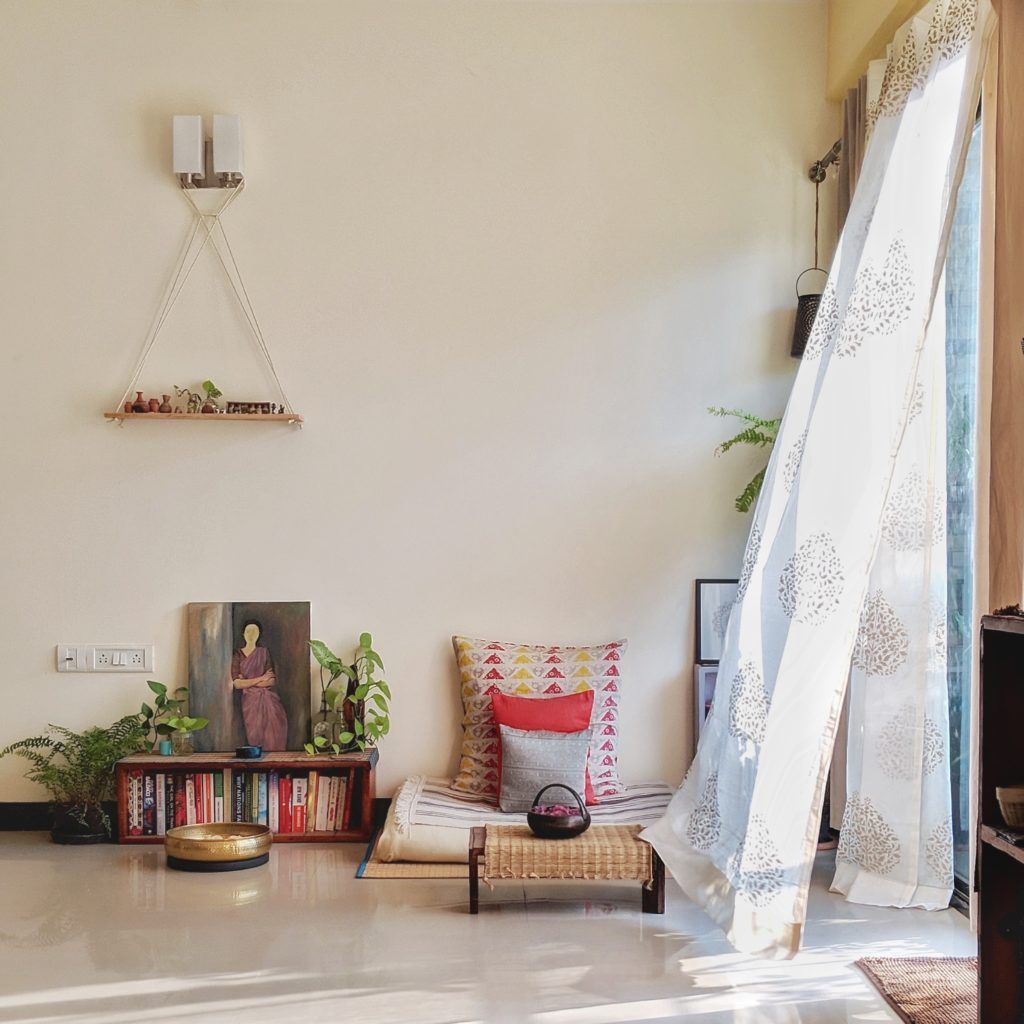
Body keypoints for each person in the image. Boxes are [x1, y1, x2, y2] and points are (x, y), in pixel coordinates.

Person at [230, 620, 288, 750]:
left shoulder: (264, 652)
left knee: (276, 729)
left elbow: (271, 680)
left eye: (255, 631)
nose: (251, 634)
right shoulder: (237, 655)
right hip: (250, 702)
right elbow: (237, 684)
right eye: (248, 631)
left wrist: (248, 681)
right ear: (243, 634)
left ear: (259, 634)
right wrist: (261, 678)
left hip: (270, 700)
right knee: (254, 735)